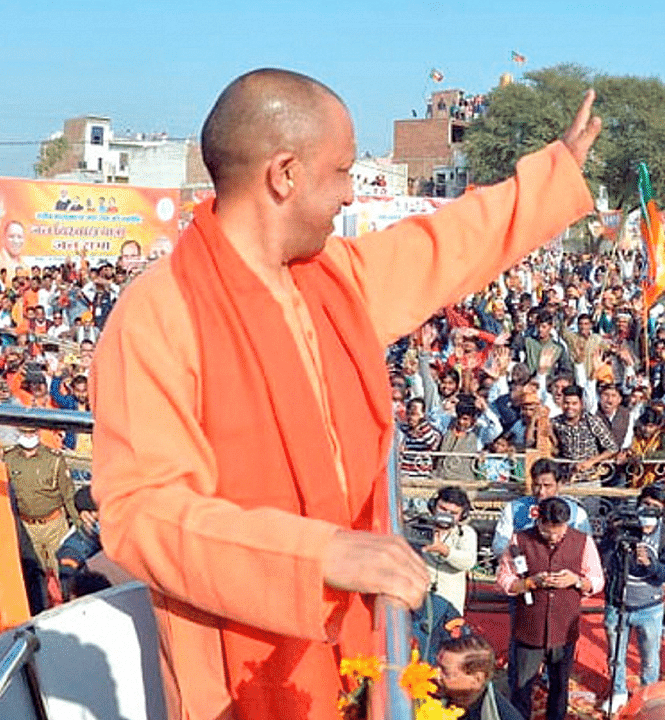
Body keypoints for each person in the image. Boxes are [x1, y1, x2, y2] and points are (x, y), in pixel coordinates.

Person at [91, 68, 601, 720]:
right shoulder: (159, 314)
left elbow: (443, 246)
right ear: (285, 173)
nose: (350, 193)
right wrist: (322, 554)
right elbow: (143, 516)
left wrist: (553, 176)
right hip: (237, 668)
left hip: (355, 645)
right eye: (342, 171)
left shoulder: (331, 278)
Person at [496, 497, 604, 720]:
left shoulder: (583, 541)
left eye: (559, 531)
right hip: (529, 626)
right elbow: (504, 578)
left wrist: (575, 580)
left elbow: (597, 579)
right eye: (547, 532)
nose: (553, 537)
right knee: (522, 686)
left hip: (564, 628)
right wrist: (529, 583)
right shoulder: (520, 540)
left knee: (559, 686)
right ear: (538, 521)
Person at [599, 483, 665, 714]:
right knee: (616, 656)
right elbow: (601, 558)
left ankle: (648, 694)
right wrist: (612, 537)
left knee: (650, 659)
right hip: (618, 604)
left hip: (650, 607)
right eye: (645, 505)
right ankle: (618, 691)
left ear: (663, 511)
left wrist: (652, 565)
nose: (648, 512)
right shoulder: (623, 525)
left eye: (655, 508)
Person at [3, 426, 87, 575]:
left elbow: (68, 494)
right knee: (34, 573)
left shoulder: (53, 459)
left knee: (65, 571)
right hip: (28, 527)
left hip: (54, 525)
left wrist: (79, 524)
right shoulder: (9, 459)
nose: (28, 436)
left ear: (38, 433)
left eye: (32, 432)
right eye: (24, 432)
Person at [491, 457, 591, 557]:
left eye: (547, 486)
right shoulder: (514, 509)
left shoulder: (576, 513)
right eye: (537, 485)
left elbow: (586, 548)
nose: (541, 492)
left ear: (559, 485)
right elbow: (499, 546)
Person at [436, 634, 524, 720]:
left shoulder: (501, 715)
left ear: (477, 679)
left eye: (445, 672)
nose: (435, 674)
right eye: (437, 666)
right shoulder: (430, 696)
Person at [421, 485, 479, 614]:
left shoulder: (466, 533)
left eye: (453, 513)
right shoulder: (418, 527)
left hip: (450, 607)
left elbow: (468, 561)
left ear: (462, 515)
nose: (446, 515)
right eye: (443, 509)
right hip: (419, 601)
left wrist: (444, 550)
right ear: (433, 506)